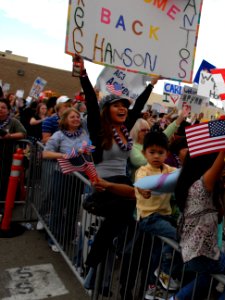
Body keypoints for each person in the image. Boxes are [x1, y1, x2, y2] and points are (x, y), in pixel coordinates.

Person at [75, 54, 159, 294]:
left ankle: (97, 256)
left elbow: (139, 105)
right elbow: (91, 100)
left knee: (126, 212)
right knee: (132, 202)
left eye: (125, 105)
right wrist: (82, 72)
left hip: (120, 182)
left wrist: (152, 83)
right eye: (117, 104)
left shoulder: (124, 129)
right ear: (106, 109)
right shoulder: (97, 128)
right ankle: (99, 255)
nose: (123, 108)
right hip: (103, 183)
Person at [173, 150, 225, 300]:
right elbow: (219, 162)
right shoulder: (201, 187)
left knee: (207, 278)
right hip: (206, 255)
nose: (224, 171)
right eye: (221, 169)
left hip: (193, 253)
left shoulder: (190, 185)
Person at [134, 129, 182, 298]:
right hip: (150, 218)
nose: (156, 156)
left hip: (166, 218)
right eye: (152, 152)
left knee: (156, 255)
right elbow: (140, 184)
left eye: (160, 153)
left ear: (166, 154)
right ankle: (165, 271)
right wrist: (144, 190)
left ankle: (152, 285)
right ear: (144, 153)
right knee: (179, 237)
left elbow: (182, 174)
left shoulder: (169, 169)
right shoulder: (143, 171)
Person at [42, 108, 91, 252]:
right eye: (72, 117)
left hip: (79, 178)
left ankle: (68, 236)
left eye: (77, 116)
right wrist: (62, 156)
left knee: (73, 209)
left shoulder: (83, 134)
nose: (76, 119)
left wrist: (87, 151)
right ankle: (54, 238)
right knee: (58, 207)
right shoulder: (58, 135)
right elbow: (45, 153)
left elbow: (89, 150)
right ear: (65, 120)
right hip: (62, 176)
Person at [0, 98, 27, 203]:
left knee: (5, 180)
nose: (1, 110)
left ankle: (4, 202)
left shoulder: (13, 122)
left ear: (8, 110)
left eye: (3, 107)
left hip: (7, 157)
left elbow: (23, 133)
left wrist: (9, 136)